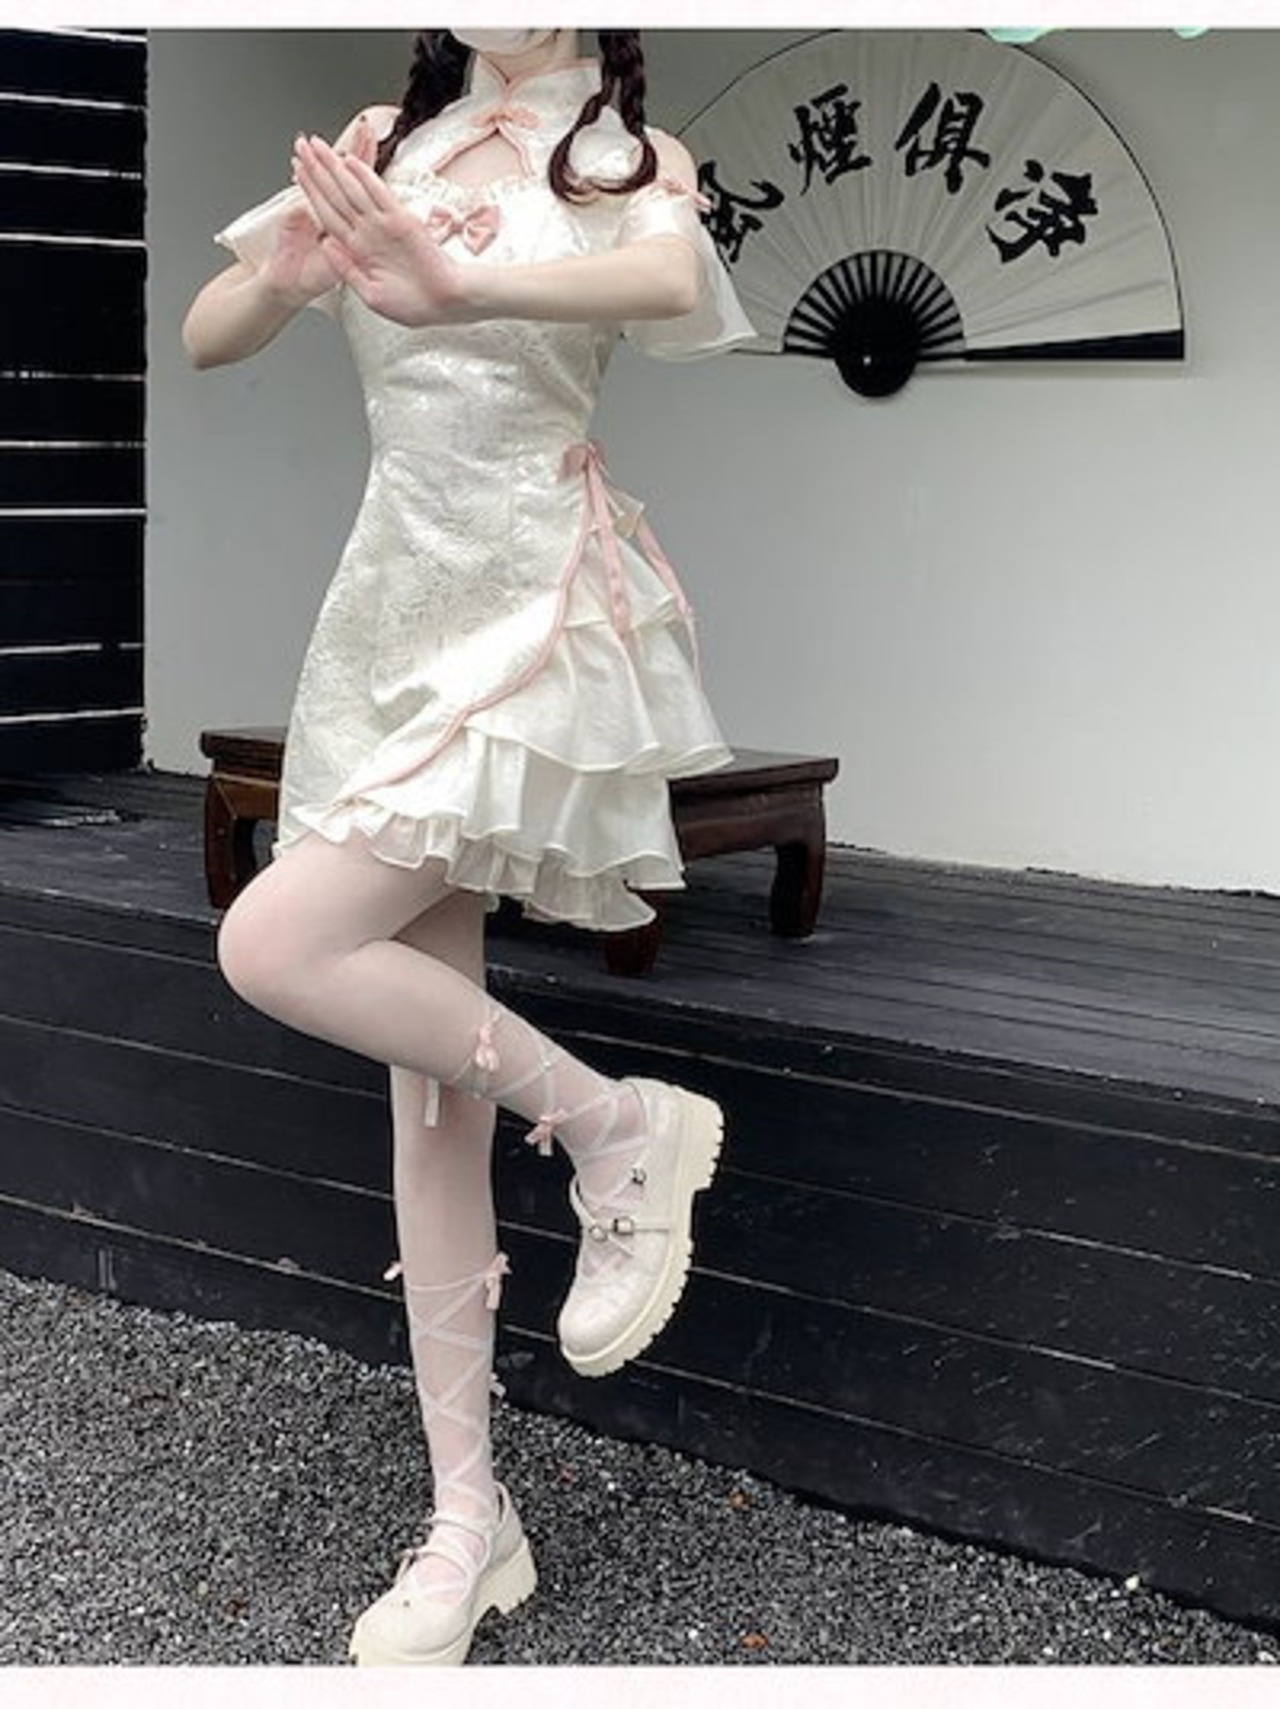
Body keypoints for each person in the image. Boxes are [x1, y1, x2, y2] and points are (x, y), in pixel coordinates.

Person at [183, 25, 753, 1669]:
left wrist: (458, 284)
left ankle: (620, 1126)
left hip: (530, 609)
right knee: (428, 1102)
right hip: (385, 621)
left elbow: (671, 286)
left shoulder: (630, 161)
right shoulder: (387, 140)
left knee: (273, 940)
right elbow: (208, 332)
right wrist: (289, 273)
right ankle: (468, 1518)